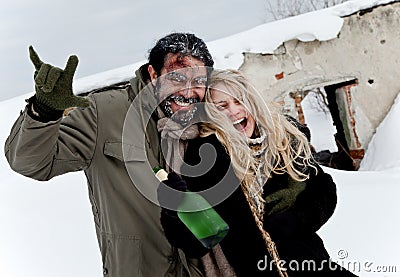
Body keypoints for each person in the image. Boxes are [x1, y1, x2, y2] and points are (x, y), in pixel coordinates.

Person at [4, 33, 214, 277]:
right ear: (154, 75)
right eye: (177, 77)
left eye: (199, 80)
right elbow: (31, 163)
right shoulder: (105, 112)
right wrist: (44, 112)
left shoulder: (209, 119)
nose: (189, 91)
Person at [159, 69, 358, 277]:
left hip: (311, 263)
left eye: (239, 101)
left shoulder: (283, 140)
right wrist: (174, 210)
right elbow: (199, 243)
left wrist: (296, 220)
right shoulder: (207, 161)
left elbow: (323, 190)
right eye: (222, 106)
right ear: (211, 115)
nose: (234, 111)